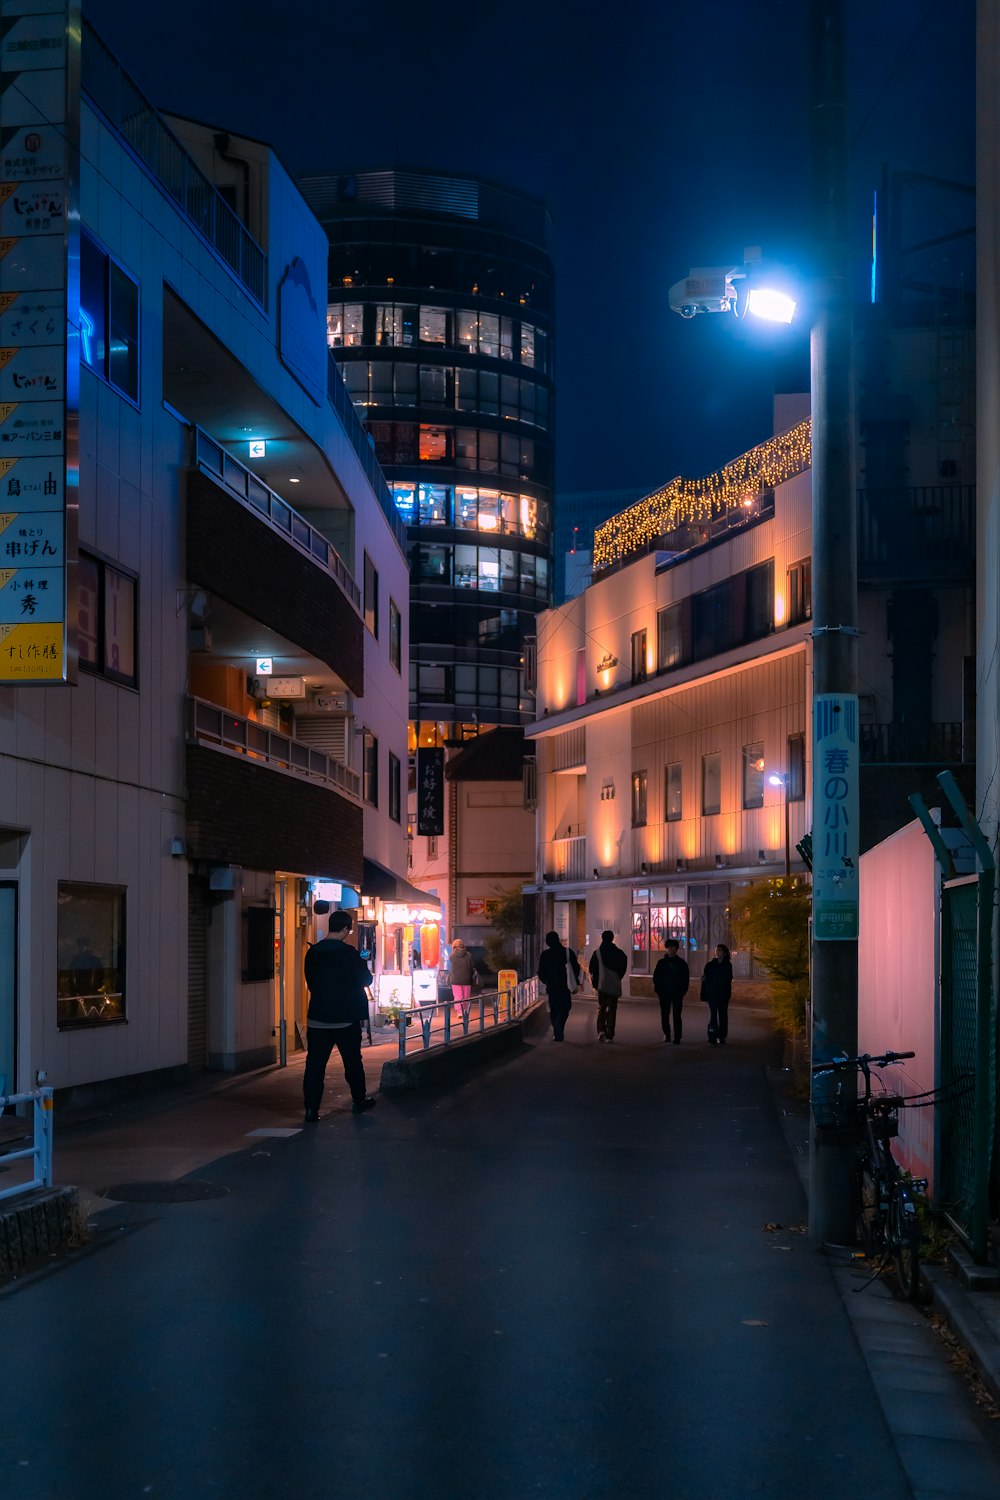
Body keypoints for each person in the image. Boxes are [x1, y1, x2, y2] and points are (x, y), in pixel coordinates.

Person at [302, 910, 377, 1120]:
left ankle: (311, 1109)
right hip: (345, 1018)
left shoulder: (313, 953)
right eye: (349, 929)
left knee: (315, 1065)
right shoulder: (349, 954)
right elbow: (365, 980)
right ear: (345, 929)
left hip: (318, 1017)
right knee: (352, 1061)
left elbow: (311, 981)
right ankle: (359, 1100)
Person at [537, 930, 580, 1041]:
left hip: (552, 987)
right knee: (565, 1008)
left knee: (554, 1009)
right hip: (565, 986)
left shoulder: (545, 955)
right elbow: (576, 968)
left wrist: (546, 981)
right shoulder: (567, 952)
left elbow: (541, 971)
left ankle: (557, 1028)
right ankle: (559, 1027)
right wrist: (574, 980)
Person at [589, 929, 628, 1042]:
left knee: (602, 1007)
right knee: (612, 1009)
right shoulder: (619, 953)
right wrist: (617, 977)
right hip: (613, 984)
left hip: (602, 984)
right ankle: (610, 1034)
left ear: (602, 938)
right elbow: (623, 967)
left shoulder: (597, 953)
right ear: (612, 938)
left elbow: (592, 969)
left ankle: (601, 1030)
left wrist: (596, 983)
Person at [652, 938, 689, 1043]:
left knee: (677, 1015)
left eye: (673, 947)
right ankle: (667, 1034)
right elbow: (656, 977)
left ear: (676, 949)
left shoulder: (681, 963)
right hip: (664, 993)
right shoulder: (661, 963)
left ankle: (677, 1036)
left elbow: (685, 979)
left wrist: (682, 992)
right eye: (669, 947)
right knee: (665, 1014)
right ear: (667, 948)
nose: (671, 949)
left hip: (677, 993)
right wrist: (659, 990)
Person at [701, 943, 733, 1045]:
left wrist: (714, 980)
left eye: (719, 950)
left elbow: (727, 979)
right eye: (716, 950)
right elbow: (705, 977)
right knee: (713, 1015)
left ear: (724, 953)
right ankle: (712, 1035)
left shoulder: (727, 965)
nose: (717, 952)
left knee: (723, 1015)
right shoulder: (710, 964)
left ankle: (722, 1036)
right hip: (713, 994)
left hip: (723, 994)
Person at [448, 937, 476, 1012]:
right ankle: (465, 1011)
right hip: (467, 979)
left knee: (458, 996)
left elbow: (450, 967)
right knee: (466, 997)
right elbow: (472, 966)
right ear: (463, 946)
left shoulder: (451, 956)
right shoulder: (469, 955)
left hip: (455, 980)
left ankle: (460, 1012)